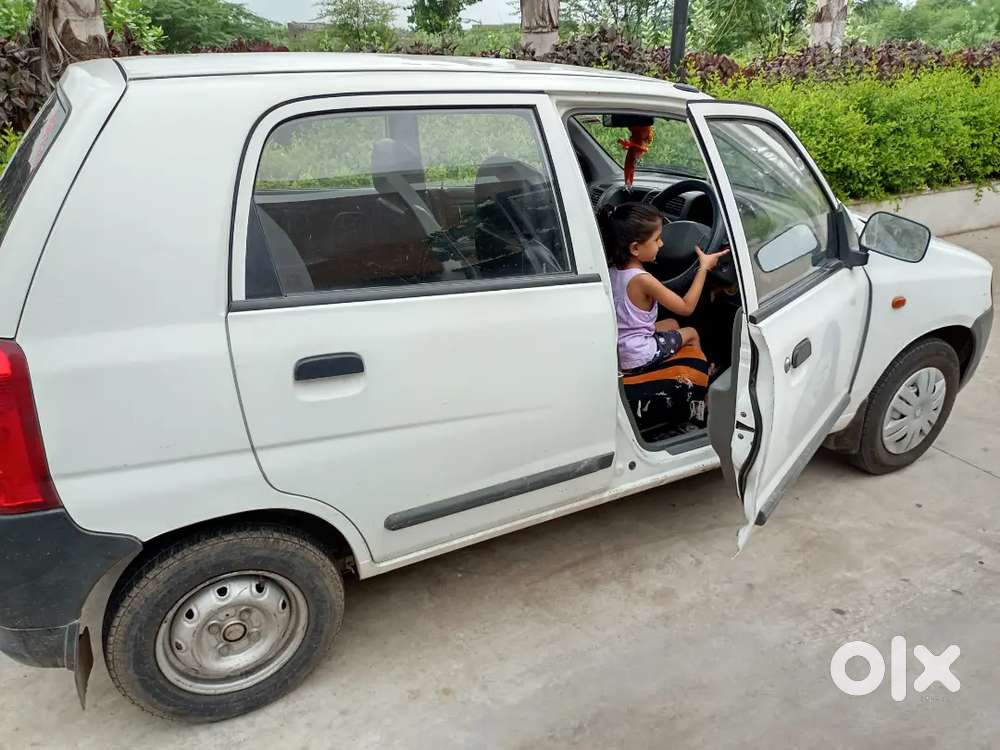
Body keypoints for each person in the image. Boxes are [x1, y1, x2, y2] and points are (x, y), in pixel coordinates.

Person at [599, 202, 729, 374]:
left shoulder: (611, 269)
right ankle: (701, 377)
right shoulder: (643, 280)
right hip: (639, 356)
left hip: (621, 347)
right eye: (656, 239)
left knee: (672, 323)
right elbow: (686, 307)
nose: (661, 244)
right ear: (635, 248)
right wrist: (703, 267)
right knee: (691, 333)